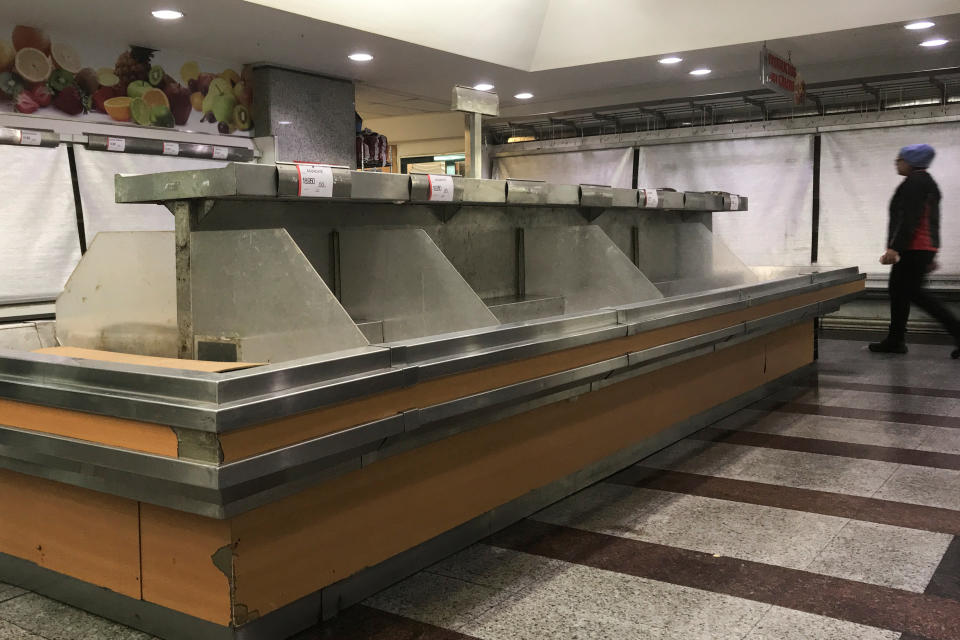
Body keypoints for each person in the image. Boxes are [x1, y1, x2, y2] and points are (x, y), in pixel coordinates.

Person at [869, 144, 960, 358]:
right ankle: (895, 339)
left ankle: (956, 331)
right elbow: (933, 221)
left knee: (914, 293)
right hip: (919, 248)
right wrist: (932, 251)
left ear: (911, 161)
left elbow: (909, 219)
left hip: (913, 247)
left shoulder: (915, 182)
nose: (896, 162)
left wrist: (895, 248)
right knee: (898, 292)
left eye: (899, 159)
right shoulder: (924, 182)